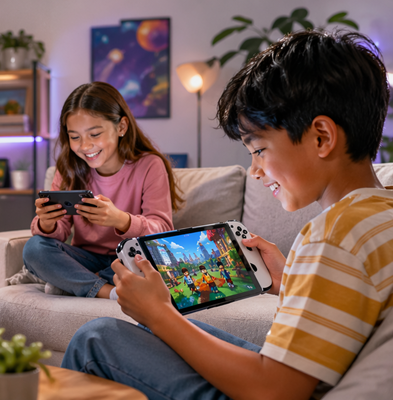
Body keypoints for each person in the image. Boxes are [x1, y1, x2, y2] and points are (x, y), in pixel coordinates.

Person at [63, 30, 393, 399]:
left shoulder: (333, 235)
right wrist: (290, 281)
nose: (254, 170)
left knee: (98, 338)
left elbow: (275, 390)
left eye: (259, 149)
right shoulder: (380, 214)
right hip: (312, 375)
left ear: (321, 137)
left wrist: (160, 315)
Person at [22, 82, 183, 299]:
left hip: (128, 258)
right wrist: (47, 223)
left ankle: (75, 283)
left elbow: (162, 230)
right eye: (75, 137)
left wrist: (122, 220)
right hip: (86, 258)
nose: (85, 146)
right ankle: (108, 291)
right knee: (34, 248)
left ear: (121, 127)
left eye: (94, 134)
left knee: (158, 258)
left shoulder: (150, 165)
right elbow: (59, 233)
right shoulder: (68, 168)